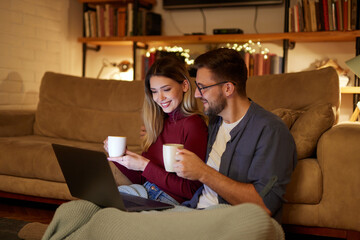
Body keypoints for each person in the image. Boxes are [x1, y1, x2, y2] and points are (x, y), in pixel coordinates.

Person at [173, 48, 297, 222]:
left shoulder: (271, 131)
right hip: (193, 213)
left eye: (202, 88)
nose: (196, 94)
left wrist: (202, 172)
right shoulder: (214, 122)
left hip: (229, 222)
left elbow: (264, 205)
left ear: (228, 88)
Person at [105, 56, 208, 205]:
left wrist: (144, 165)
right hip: (144, 191)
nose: (160, 98)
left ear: (185, 85)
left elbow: (191, 190)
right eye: (154, 91)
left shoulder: (193, 125)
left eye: (166, 89)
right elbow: (142, 179)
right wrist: (121, 156)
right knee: (91, 204)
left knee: (104, 213)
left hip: (168, 200)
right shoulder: (158, 123)